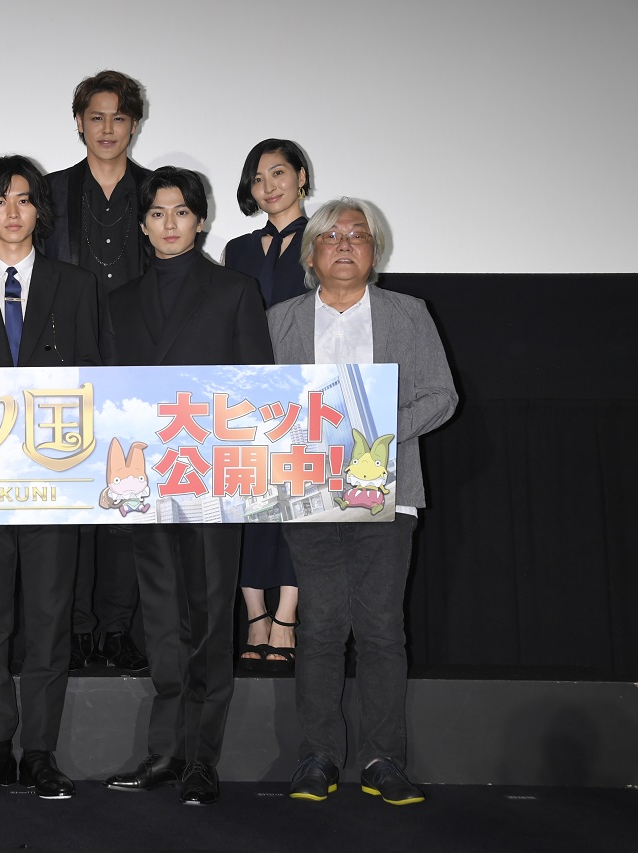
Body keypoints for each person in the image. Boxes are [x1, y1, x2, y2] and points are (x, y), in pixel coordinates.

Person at [269, 198, 457, 806]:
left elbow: (441, 395)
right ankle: (318, 756)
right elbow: (264, 404)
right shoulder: (280, 320)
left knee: (380, 628)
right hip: (309, 491)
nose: (345, 243)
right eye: (331, 235)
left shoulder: (407, 313)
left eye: (358, 234)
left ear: (375, 251)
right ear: (311, 254)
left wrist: (376, 432)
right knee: (321, 626)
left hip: (389, 490)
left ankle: (383, 760)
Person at [0, 155, 102, 800]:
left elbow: (93, 379)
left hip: (54, 479)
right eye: (1, 200)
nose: (12, 211)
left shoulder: (75, 286)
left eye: (25, 199)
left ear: (40, 211)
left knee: (51, 618)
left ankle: (41, 753)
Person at [102, 167, 273, 806]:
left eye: (180, 212)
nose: (169, 223)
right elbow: (111, 396)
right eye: (157, 213)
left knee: (208, 617)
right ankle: (164, 753)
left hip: (213, 478)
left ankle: (202, 758)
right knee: (162, 618)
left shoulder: (234, 290)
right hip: (145, 481)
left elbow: (256, 389)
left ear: (200, 220)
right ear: (143, 225)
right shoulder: (118, 301)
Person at [40, 69, 151, 673]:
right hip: (64, 366)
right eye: (96, 117)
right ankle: (75, 627)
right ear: (79, 123)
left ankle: (117, 627)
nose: (107, 129)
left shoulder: (156, 190)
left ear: (134, 125)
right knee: (70, 504)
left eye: (119, 118)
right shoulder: (50, 193)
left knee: (128, 498)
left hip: (137, 365)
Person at [223, 139, 314, 672]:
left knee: (298, 504)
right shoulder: (237, 249)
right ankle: (255, 615)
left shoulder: (324, 238)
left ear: (301, 176)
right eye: (257, 179)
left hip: (305, 391)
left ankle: (287, 615)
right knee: (249, 503)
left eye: (278, 173)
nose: (268, 186)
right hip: (247, 392)